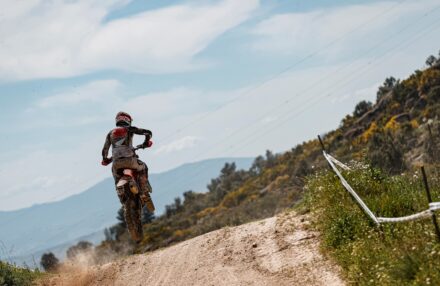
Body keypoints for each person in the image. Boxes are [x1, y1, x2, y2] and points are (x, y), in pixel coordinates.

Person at [101, 111, 153, 206]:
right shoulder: (130, 129)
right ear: (127, 120)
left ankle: (121, 196)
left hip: (116, 163)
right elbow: (148, 133)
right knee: (143, 167)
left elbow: (105, 149)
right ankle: (144, 190)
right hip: (130, 161)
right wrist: (146, 142)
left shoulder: (110, 133)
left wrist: (105, 160)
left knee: (116, 177)